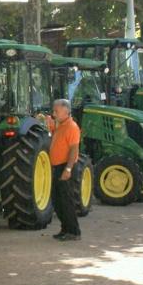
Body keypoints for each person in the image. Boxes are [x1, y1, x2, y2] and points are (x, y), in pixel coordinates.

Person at [44, 99, 82, 241]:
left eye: (56, 111)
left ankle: (74, 231)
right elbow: (56, 137)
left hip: (66, 166)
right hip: (58, 166)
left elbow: (74, 149)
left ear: (66, 111)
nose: (54, 113)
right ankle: (65, 229)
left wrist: (68, 168)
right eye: (54, 111)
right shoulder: (61, 125)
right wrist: (51, 125)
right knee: (58, 200)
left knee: (66, 201)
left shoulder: (72, 127)